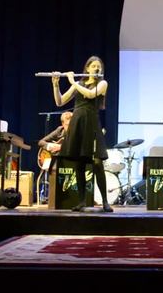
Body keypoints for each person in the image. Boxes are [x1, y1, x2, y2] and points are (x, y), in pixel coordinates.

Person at [51, 56, 112, 212]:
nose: (96, 68)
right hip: (77, 124)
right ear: (87, 68)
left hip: (91, 123)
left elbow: (90, 95)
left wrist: (72, 82)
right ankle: (82, 201)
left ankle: (105, 201)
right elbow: (60, 101)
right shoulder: (79, 84)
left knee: (97, 163)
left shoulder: (102, 84)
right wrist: (56, 84)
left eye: (99, 66)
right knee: (79, 164)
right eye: (93, 66)